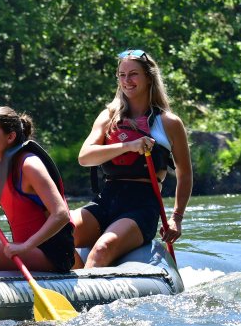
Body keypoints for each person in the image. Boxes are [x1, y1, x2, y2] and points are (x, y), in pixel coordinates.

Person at [71, 49, 192, 268]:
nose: (127, 80)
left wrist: (177, 217)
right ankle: (72, 287)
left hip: (141, 206)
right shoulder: (109, 116)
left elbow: (184, 174)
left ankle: (87, 297)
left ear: (149, 77)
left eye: (133, 74)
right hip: (106, 200)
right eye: (122, 75)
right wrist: (128, 146)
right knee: (57, 236)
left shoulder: (169, 123)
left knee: (101, 250)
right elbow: (84, 157)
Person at [0, 107, 75, 273]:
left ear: (11, 136)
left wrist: (25, 246)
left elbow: (61, 214)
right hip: (25, 250)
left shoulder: (29, 165)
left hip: (51, 255)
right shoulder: (0, 166)